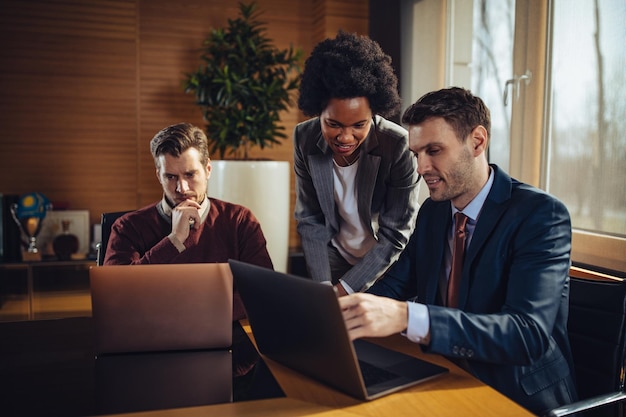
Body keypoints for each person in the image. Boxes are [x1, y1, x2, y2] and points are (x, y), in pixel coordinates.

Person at [339, 87, 578, 414]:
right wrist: (343, 313)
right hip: (442, 372)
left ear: (478, 141)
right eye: (417, 153)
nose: (421, 167)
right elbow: (396, 285)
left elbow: (527, 335)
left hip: (517, 394)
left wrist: (407, 316)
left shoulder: (541, 216)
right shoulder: (434, 212)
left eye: (434, 150)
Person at [104, 122, 273, 321]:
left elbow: (264, 291)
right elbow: (114, 297)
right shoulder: (127, 227)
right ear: (159, 176)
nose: (182, 188)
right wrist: (173, 241)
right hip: (151, 336)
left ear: (208, 169)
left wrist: (197, 314)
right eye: (171, 177)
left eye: (190, 174)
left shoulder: (239, 221)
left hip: (224, 333)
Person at [293, 31, 420, 295]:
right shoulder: (304, 138)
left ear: (374, 114)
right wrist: (324, 288)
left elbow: (396, 233)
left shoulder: (398, 146)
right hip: (334, 259)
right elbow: (310, 219)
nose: (345, 137)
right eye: (333, 124)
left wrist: (345, 289)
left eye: (359, 125)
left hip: (387, 266)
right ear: (318, 112)